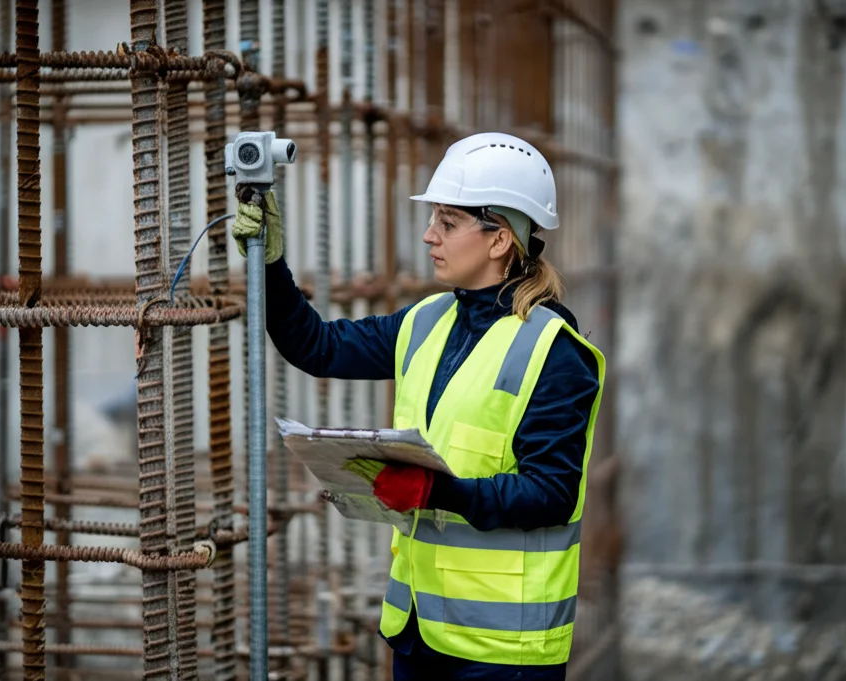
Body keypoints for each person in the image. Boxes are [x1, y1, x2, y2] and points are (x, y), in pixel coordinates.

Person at [231, 132, 605, 680]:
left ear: (499, 239)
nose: (429, 236)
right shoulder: (426, 322)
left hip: (502, 652)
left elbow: (551, 493)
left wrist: (439, 491)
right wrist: (271, 266)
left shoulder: (556, 353)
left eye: (448, 223)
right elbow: (315, 345)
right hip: (417, 630)